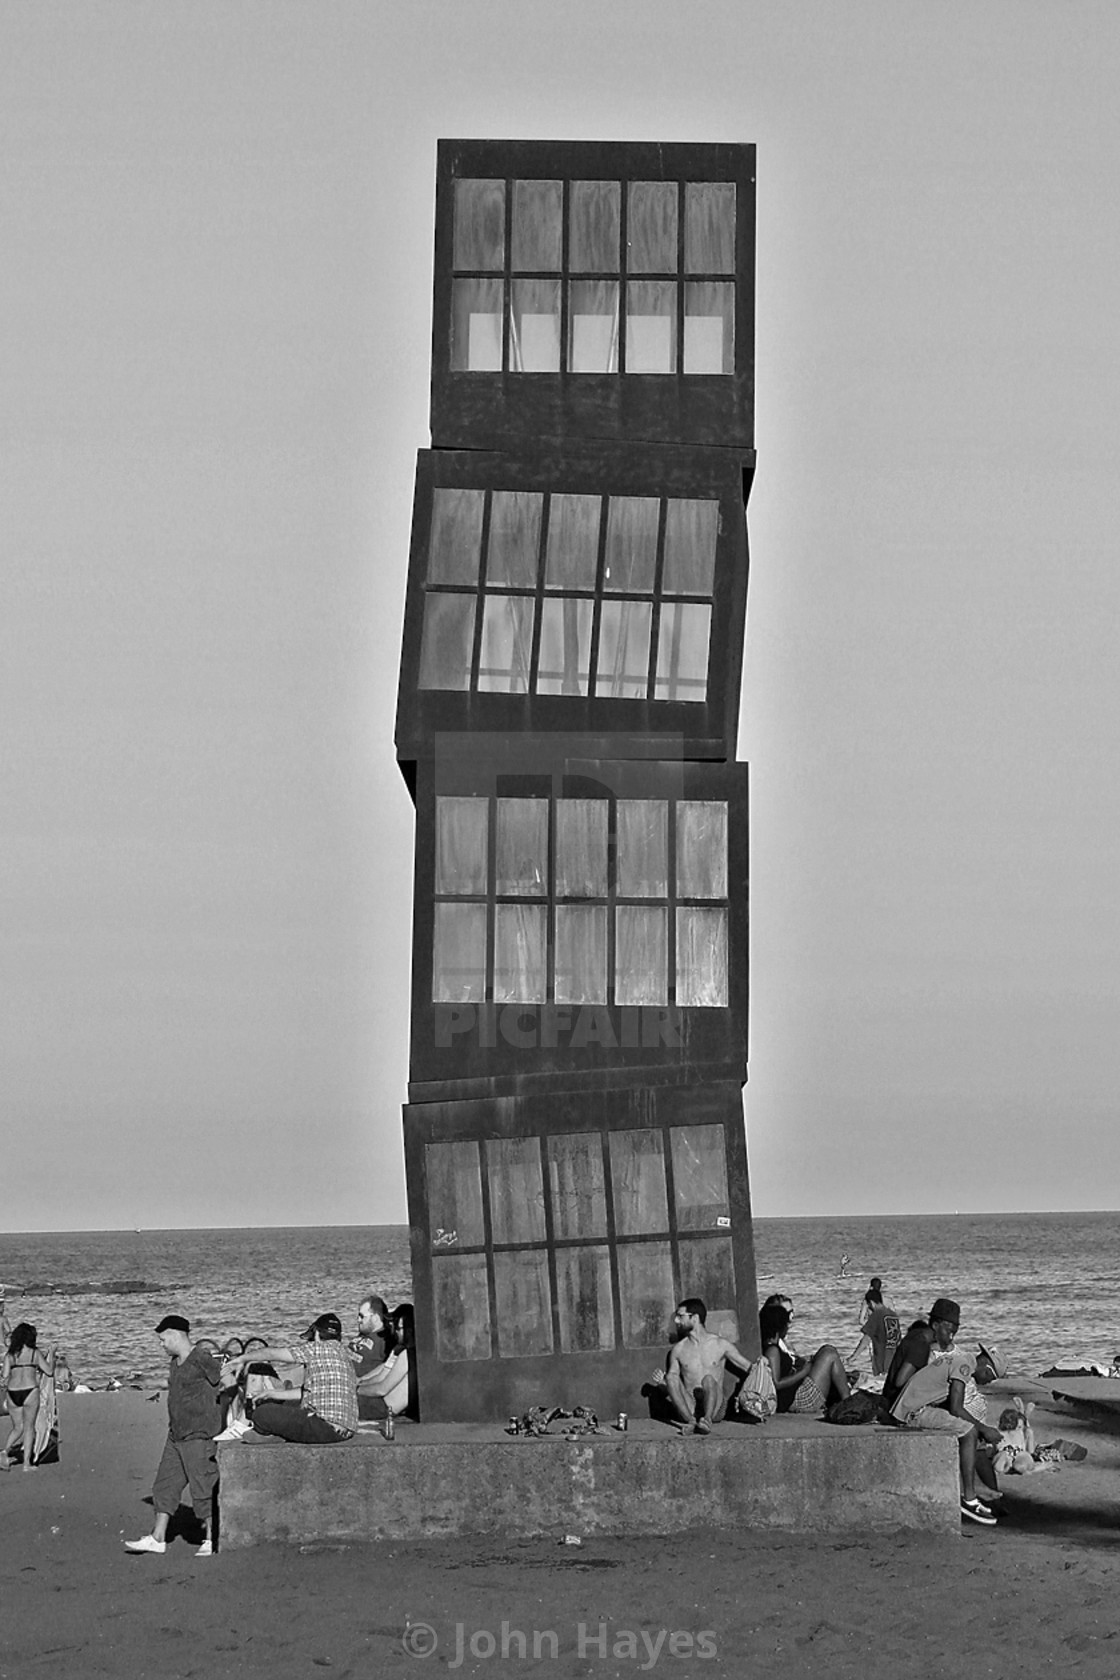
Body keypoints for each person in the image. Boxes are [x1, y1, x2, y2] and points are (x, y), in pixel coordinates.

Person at [883, 1297, 1002, 1527]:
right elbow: (957, 1407)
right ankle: (969, 1499)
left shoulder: (956, 1358)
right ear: (986, 1367)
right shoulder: (964, 1364)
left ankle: (973, 1492)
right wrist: (984, 1428)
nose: (987, 1383)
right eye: (990, 1377)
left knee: (966, 1429)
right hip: (912, 1412)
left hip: (911, 1407)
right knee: (969, 1432)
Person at [124, 1314, 222, 1556]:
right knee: (164, 1486)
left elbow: (224, 1379)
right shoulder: (175, 1362)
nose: (161, 1344)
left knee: (203, 1489)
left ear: (176, 1335)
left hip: (198, 1435)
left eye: (163, 1338)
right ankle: (158, 1538)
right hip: (176, 1434)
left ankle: (211, 1538)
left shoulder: (201, 1357)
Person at [222, 1312, 357, 1444]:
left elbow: (271, 1354)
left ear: (316, 1334)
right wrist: (272, 1393)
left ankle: (260, 1431)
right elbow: (307, 1392)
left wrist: (242, 1359)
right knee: (285, 1414)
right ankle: (276, 1436)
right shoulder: (345, 1354)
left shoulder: (316, 1348)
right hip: (345, 1432)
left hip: (321, 1427)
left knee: (262, 1413)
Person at [664, 1298, 756, 1433]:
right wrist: (664, 1384)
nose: (676, 1321)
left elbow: (747, 1367)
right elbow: (673, 1381)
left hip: (715, 1405)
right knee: (670, 1377)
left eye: (680, 1316)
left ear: (695, 1318)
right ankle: (691, 1422)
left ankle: (707, 1420)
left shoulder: (720, 1344)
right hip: (691, 1406)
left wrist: (762, 1368)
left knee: (708, 1379)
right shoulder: (678, 1349)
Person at [760, 1303, 851, 1415]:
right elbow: (776, 1383)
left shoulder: (770, 1346)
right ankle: (848, 1402)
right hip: (798, 1399)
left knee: (825, 1351)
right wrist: (803, 1372)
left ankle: (846, 1400)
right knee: (830, 1353)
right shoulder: (772, 1351)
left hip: (795, 1392)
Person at [2, 1323, 55, 1471]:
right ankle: (26, 1464)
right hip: (30, 1390)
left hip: (13, 1392)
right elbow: (49, 1371)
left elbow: (5, 1376)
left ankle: (4, 1452)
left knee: (17, 1427)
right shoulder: (34, 1353)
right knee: (29, 1428)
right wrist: (53, 1355)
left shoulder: (10, 1355)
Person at [353, 1302, 412, 1421]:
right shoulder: (399, 1349)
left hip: (384, 1408)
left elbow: (382, 1389)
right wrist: (359, 1382)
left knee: (336, 1404)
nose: (394, 1330)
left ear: (409, 1330)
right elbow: (381, 1375)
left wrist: (354, 1390)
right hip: (379, 1403)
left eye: (398, 1327)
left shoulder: (408, 1355)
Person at [849, 1289, 903, 1377]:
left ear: (871, 1303)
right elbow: (898, 1339)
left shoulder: (877, 1314)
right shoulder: (894, 1315)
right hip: (894, 1361)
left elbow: (866, 1338)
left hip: (882, 1361)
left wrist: (853, 1357)